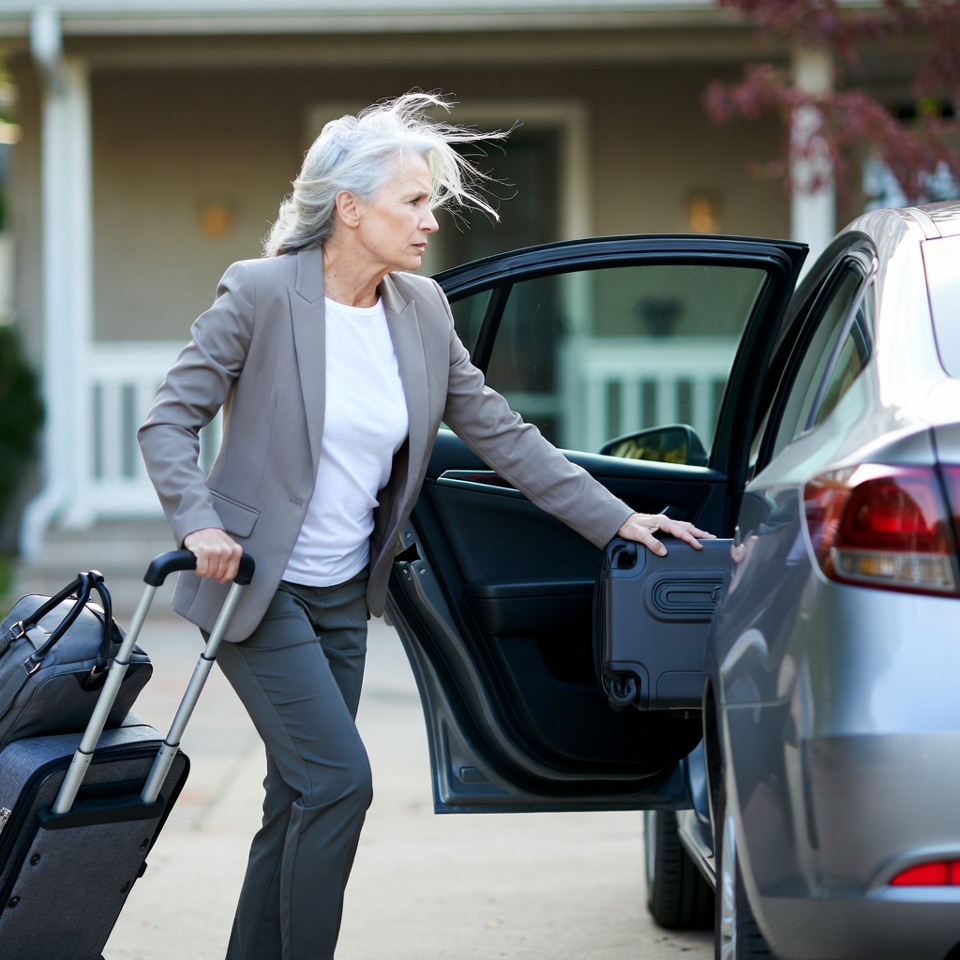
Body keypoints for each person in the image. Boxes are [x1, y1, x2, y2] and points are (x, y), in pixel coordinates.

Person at [138, 91, 713, 960]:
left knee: (297, 796)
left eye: (431, 201)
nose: (430, 220)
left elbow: (505, 437)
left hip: (341, 597)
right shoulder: (261, 296)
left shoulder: (422, 313)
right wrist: (199, 522)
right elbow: (166, 421)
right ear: (350, 208)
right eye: (415, 201)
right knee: (339, 785)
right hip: (254, 588)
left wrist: (619, 519)